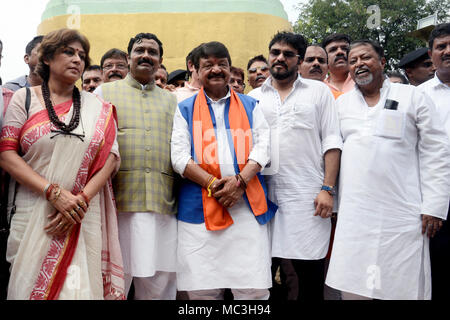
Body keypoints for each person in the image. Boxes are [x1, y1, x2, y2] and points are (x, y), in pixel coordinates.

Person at [0, 28, 124, 300]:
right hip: (36, 211)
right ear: (47, 58)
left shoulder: (98, 107)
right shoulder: (25, 98)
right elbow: (7, 154)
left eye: (81, 54)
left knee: (79, 290)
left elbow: (111, 159)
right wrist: (55, 194)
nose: (77, 59)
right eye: (68, 52)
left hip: (82, 214)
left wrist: (79, 201)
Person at [326, 39, 450, 300]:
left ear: (382, 62)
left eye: (366, 58)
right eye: (353, 61)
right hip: (355, 215)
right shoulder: (341, 105)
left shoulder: (413, 96)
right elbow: (332, 152)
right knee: (355, 285)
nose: (359, 64)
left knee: (401, 285)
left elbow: (436, 151)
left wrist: (434, 206)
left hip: (402, 214)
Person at [171, 41, 276, 300]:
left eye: (222, 64)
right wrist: (213, 185)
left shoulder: (251, 105)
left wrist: (239, 182)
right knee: (202, 290)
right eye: (208, 65)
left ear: (230, 68)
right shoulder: (184, 108)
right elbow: (179, 157)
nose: (216, 69)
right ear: (195, 70)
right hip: (199, 209)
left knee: (252, 289)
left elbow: (264, 147)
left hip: (245, 207)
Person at [249, 31, 342, 301]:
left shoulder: (318, 92)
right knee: (261, 276)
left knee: (309, 275)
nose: (280, 58)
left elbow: (332, 141)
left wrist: (327, 188)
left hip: (307, 198)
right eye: (275, 52)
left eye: (288, 54)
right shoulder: (254, 96)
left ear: (298, 60)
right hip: (263, 198)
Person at [95, 33, 178, 300]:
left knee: (160, 282)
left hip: (162, 203)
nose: (145, 55)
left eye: (152, 52)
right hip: (118, 205)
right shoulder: (104, 93)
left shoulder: (172, 101)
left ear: (160, 61)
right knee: (114, 280)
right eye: (139, 50)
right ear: (128, 57)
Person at [418, 22, 450, 300]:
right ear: (431, 55)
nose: (447, 51)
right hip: (435, 200)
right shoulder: (419, 96)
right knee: (438, 269)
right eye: (441, 47)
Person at [322, 33, 355, 98]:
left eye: (345, 48)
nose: (340, 52)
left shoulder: (363, 80)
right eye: (333, 50)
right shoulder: (320, 88)